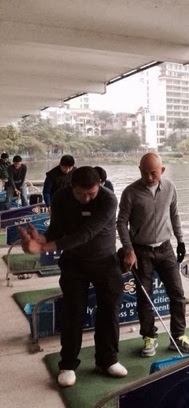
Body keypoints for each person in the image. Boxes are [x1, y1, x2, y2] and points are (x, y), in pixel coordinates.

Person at [17, 166, 127, 387]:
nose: (86, 199)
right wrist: (40, 239)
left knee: (109, 312)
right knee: (72, 313)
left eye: (91, 194)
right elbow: (57, 229)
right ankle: (67, 365)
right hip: (74, 263)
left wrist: (43, 247)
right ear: (71, 186)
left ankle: (107, 360)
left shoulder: (108, 199)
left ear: (99, 186)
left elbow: (86, 233)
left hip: (105, 261)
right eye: (80, 194)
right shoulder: (60, 197)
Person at [116, 152, 189, 357]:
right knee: (145, 298)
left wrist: (181, 240)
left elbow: (174, 214)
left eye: (153, 173)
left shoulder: (170, 188)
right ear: (139, 170)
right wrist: (129, 250)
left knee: (177, 294)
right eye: (144, 173)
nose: (149, 177)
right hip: (141, 251)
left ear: (162, 170)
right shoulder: (130, 192)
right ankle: (149, 337)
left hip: (166, 249)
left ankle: (178, 335)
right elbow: (121, 223)